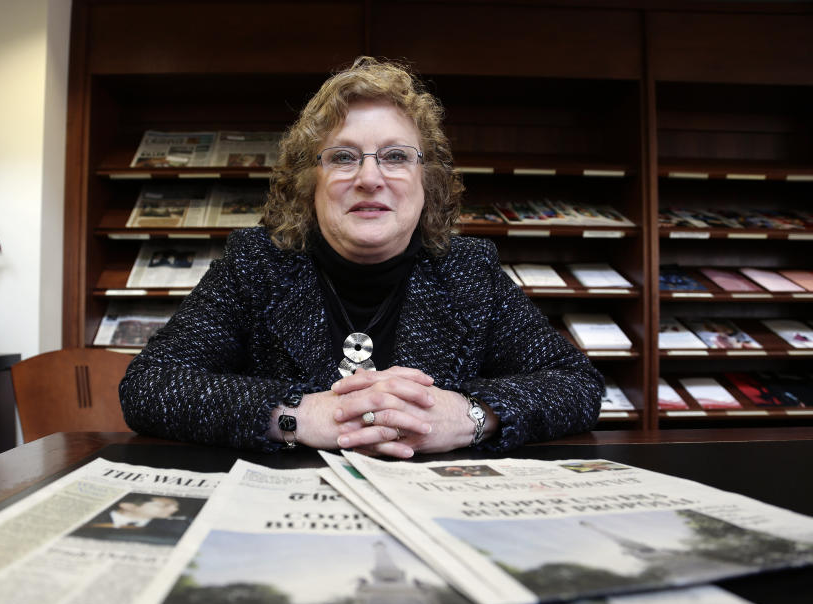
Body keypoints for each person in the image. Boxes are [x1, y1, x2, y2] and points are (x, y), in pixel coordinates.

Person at [120, 57, 603, 458]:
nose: (370, 178)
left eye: (394, 156)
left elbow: (577, 384)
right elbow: (150, 385)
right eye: (344, 157)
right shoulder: (256, 265)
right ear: (311, 184)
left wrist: (471, 415)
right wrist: (296, 415)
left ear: (426, 180)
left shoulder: (468, 270)